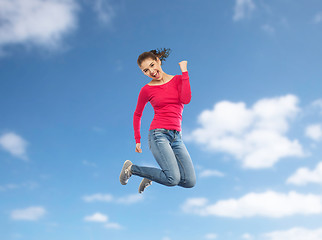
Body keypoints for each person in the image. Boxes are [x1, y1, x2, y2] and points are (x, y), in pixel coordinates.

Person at [119, 48, 196, 193]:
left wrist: (184, 72)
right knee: (172, 179)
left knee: (189, 181)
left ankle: (153, 176)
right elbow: (137, 114)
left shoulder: (179, 80)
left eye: (152, 65)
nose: (151, 72)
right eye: (145, 71)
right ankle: (131, 169)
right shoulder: (146, 90)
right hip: (158, 134)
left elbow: (186, 99)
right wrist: (137, 139)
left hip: (177, 136)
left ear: (158, 61)